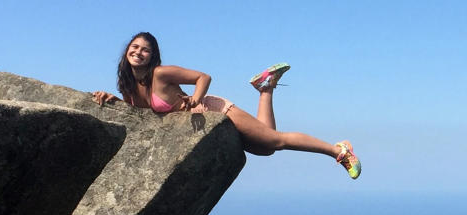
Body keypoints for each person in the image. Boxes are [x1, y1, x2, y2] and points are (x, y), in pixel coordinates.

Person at [92, 32, 360, 179]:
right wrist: (112, 100)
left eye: (145, 49)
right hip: (201, 125)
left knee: (275, 141)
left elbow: (203, 77)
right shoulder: (128, 87)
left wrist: (196, 98)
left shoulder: (161, 73)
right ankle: (265, 88)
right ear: (127, 50)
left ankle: (338, 150)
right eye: (134, 47)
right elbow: (138, 114)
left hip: (215, 110)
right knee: (264, 149)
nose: (138, 52)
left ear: (153, 56)